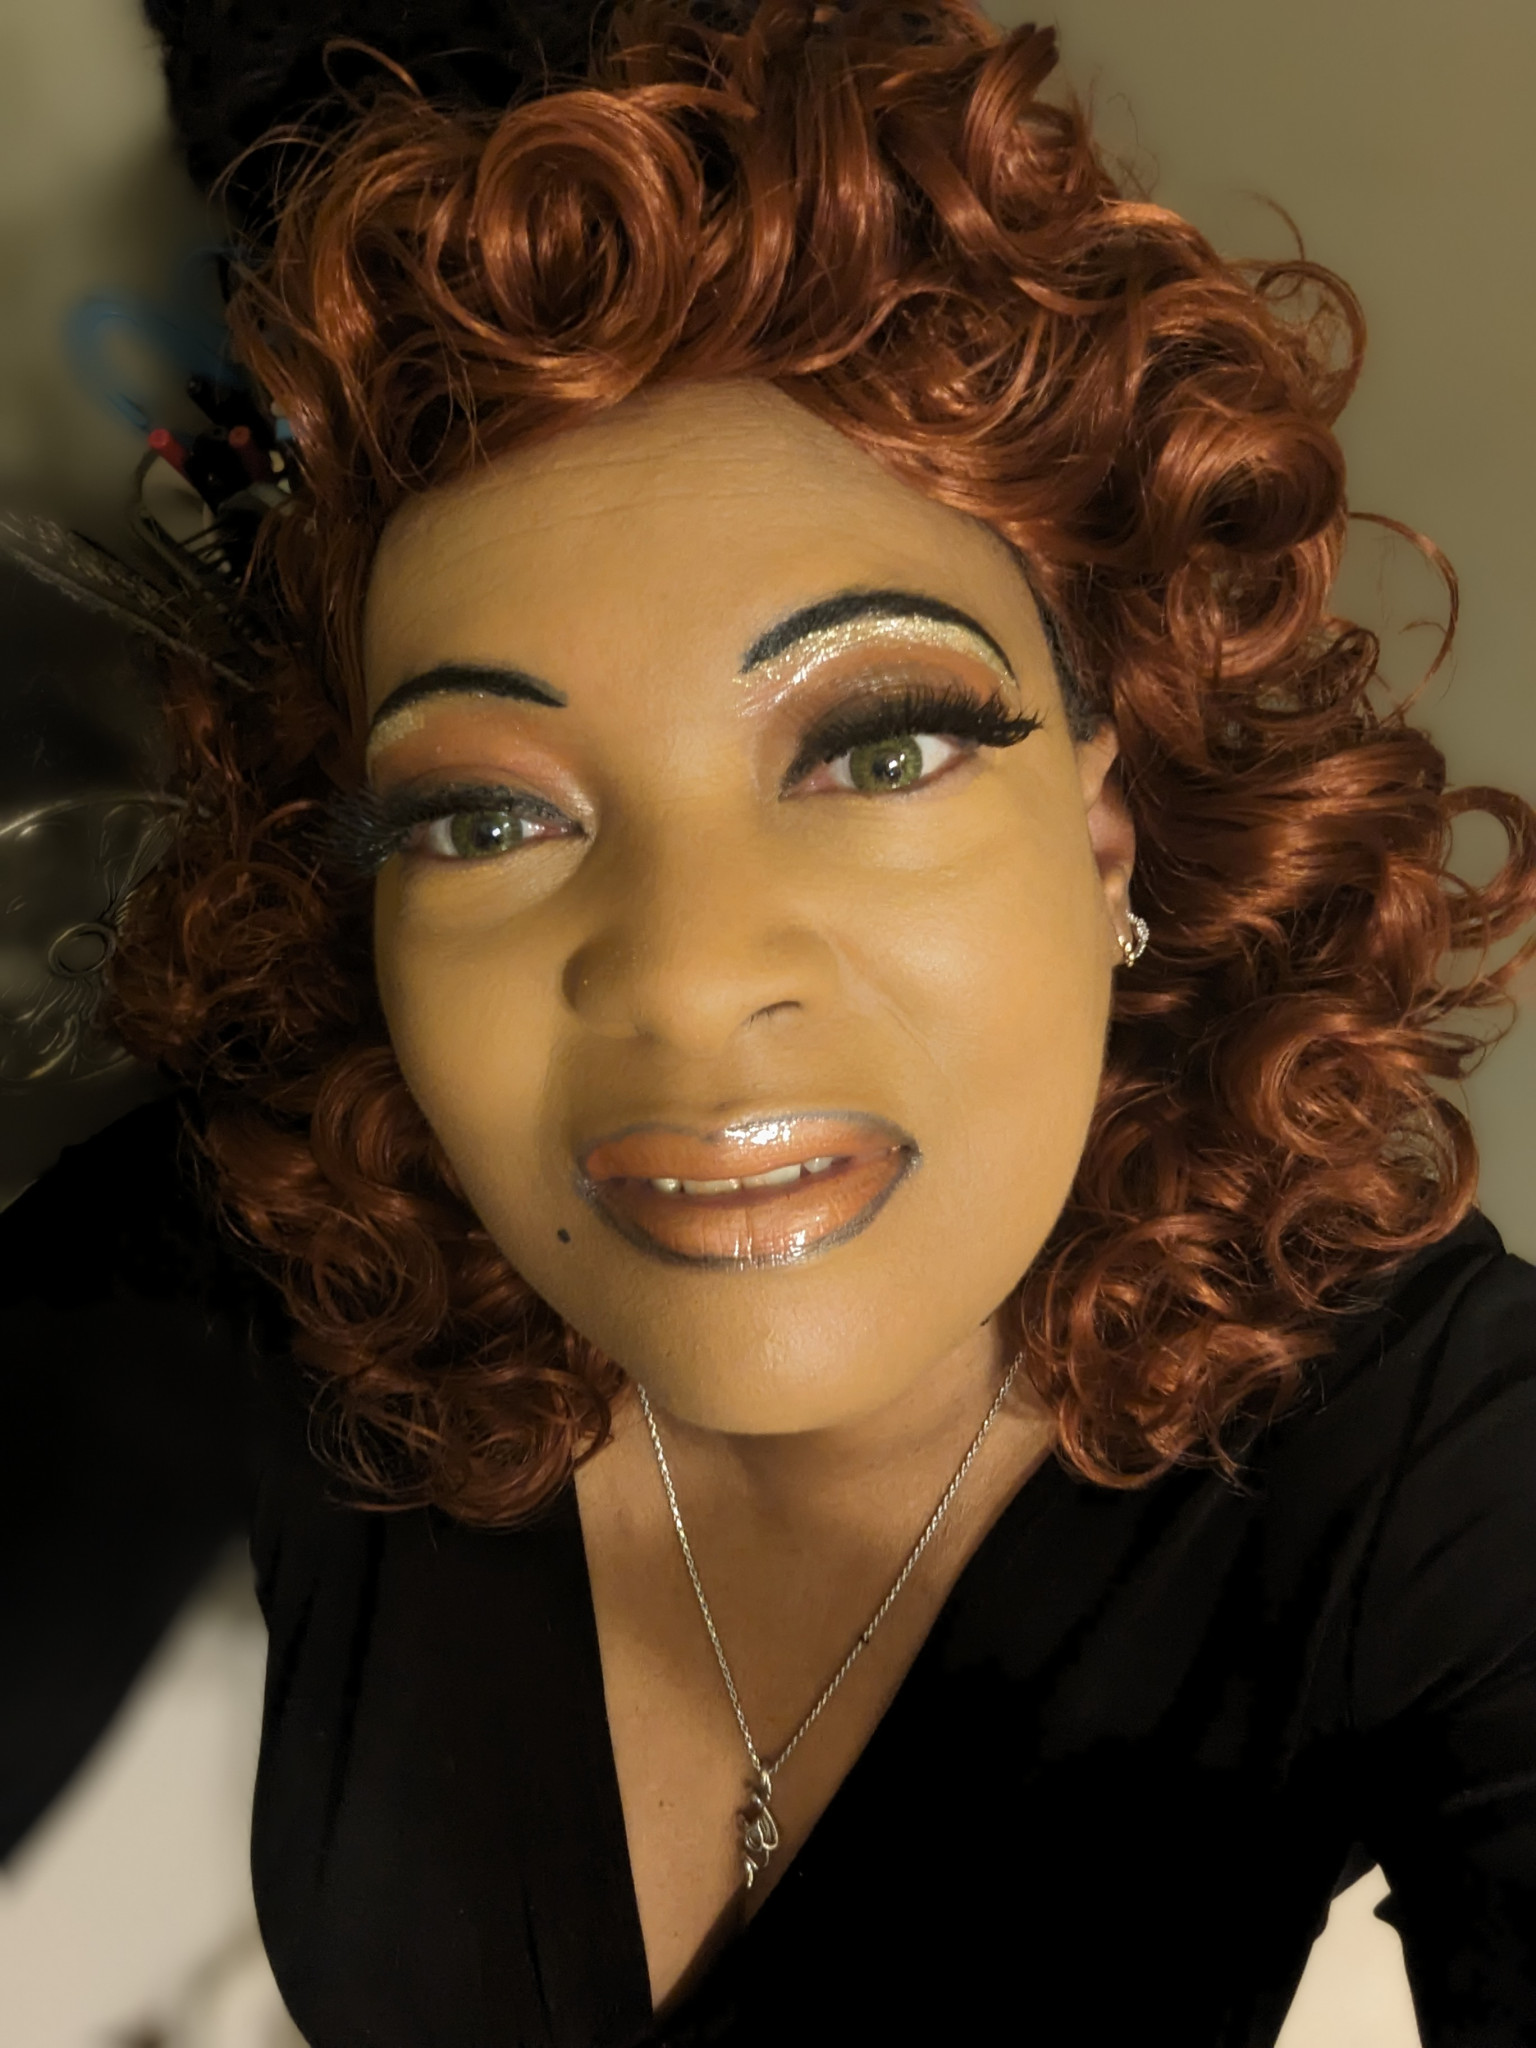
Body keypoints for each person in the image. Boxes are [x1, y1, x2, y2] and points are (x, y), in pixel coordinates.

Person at [12, 1, 1536, 2041]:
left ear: (1103, 830)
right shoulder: (267, 1246)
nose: (684, 972)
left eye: (880, 747)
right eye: (484, 816)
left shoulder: (1434, 1459)